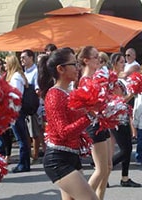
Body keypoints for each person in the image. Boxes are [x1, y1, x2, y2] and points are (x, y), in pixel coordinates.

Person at [38, 47, 98, 200]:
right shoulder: (54, 95)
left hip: (72, 155)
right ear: (60, 69)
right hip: (57, 159)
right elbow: (63, 132)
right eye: (74, 64)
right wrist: (89, 116)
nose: (78, 68)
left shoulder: (69, 92)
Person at [77, 46, 112, 199]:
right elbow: (86, 108)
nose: (99, 60)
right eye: (95, 57)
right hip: (93, 125)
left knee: (108, 167)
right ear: (86, 60)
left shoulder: (94, 79)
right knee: (101, 169)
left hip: (101, 123)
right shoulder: (85, 80)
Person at [109, 52, 141, 187]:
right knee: (125, 150)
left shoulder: (119, 78)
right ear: (115, 63)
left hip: (123, 116)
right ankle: (103, 171)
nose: (124, 64)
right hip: (116, 118)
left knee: (127, 148)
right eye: (122, 62)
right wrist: (133, 93)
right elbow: (120, 100)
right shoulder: (112, 80)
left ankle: (125, 178)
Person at [5, 54, 30, 172]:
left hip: (16, 112)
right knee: (22, 138)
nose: (4, 66)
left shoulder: (15, 78)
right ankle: (24, 163)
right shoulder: (18, 76)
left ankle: (23, 164)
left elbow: (16, 96)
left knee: (21, 139)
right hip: (17, 111)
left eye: (6, 63)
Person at [20, 49, 41, 164]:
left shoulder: (35, 71)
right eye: (21, 57)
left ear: (31, 58)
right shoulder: (24, 71)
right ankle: (30, 153)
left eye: (24, 57)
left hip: (32, 105)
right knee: (27, 131)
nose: (22, 60)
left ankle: (36, 154)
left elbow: (37, 88)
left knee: (34, 131)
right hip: (24, 105)